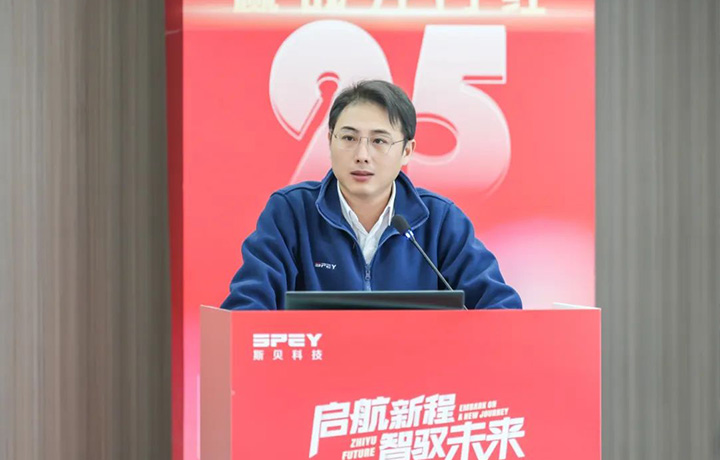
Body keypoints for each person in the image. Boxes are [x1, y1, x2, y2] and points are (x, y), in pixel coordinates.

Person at [220, 80, 521, 310]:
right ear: (330, 141)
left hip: (415, 373)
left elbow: (500, 309)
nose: (362, 154)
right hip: (316, 370)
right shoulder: (291, 212)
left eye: (379, 141)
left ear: (407, 151)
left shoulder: (440, 220)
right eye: (349, 138)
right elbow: (246, 307)